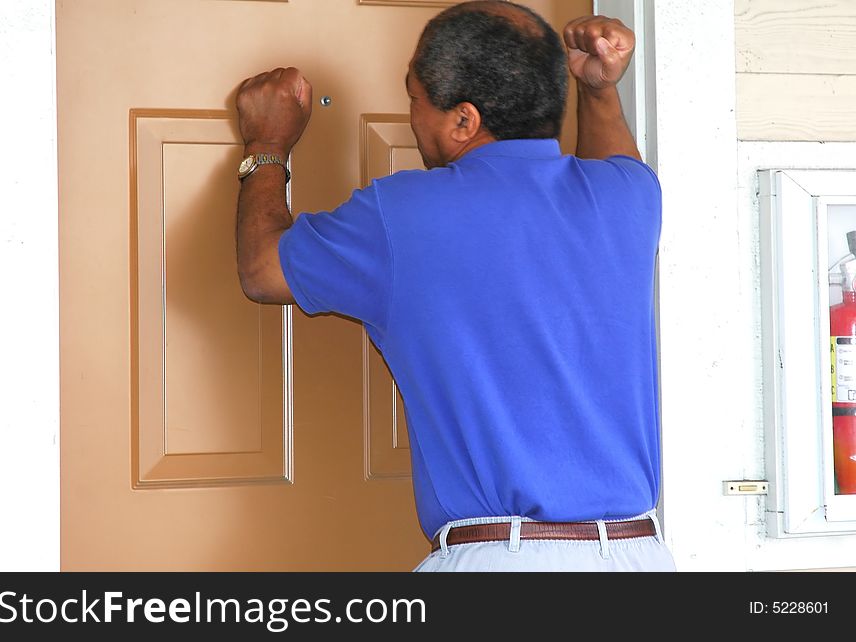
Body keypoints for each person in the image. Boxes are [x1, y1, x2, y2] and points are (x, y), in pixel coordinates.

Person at [234, 1, 676, 572]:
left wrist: (265, 145)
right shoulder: (630, 198)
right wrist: (598, 90)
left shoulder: (401, 215)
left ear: (464, 121)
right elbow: (611, 162)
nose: (411, 116)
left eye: (414, 98)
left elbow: (262, 270)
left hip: (504, 564)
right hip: (640, 558)